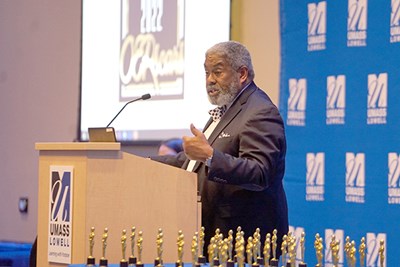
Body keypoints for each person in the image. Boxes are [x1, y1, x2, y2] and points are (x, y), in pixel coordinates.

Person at [151, 40, 288, 260]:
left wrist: (210, 155)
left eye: (217, 72)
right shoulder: (226, 110)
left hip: (245, 243)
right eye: (206, 73)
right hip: (217, 239)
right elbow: (192, 161)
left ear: (242, 73)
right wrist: (141, 162)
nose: (209, 80)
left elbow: (260, 173)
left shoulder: (260, 112)